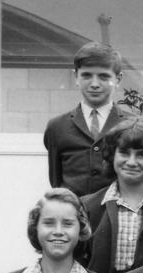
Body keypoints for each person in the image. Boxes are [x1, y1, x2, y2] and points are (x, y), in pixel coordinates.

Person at [81, 118, 143, 273]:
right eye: (124, 153)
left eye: (142, 155)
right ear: (112, 155)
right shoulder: (88, 206)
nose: (131, 162)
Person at [44, 42, 133, 198]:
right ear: (76, 77)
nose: (94, 84)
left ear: (118, 79)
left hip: (115, 215)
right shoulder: (57, 127)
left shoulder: (132, 125)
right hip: (75, 216)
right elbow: (56, 180)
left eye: (104, 76)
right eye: (86, 75)